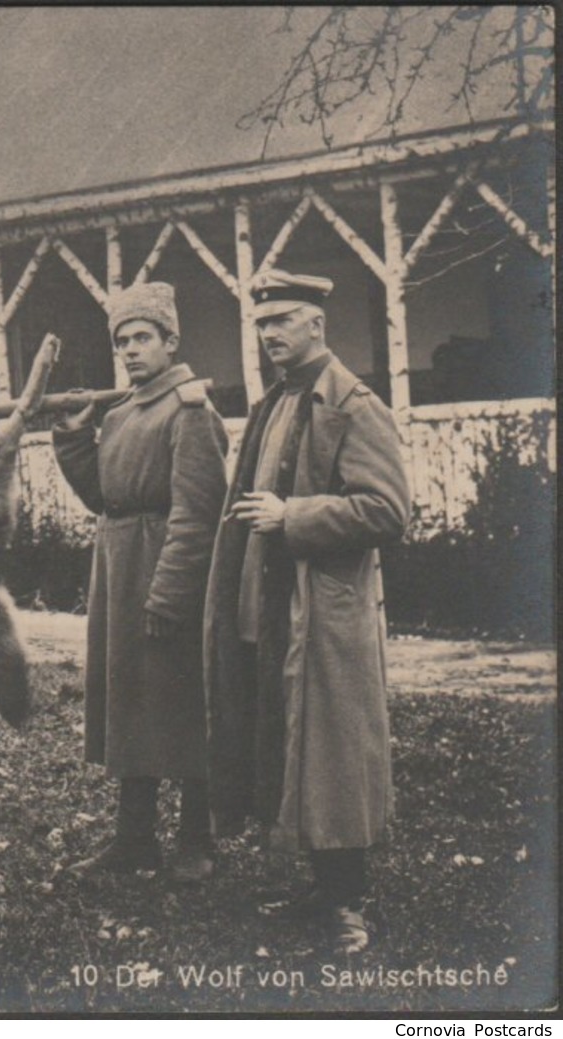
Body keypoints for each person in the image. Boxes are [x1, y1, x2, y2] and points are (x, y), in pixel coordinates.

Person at [203, 270, 410, 955]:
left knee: (333, 753)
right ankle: (319, 885)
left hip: (325, 610)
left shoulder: (352, 404)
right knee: (289, 743)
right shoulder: (272, 403)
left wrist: (292, 515)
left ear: (316, 323)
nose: (269, 334)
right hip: (272, 603)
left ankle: (348, 902)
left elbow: (386, 510)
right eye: (262, 323)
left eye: (282, 320)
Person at [52, 282, 229, 883]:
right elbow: (105, 498)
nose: (129, 351)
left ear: (171, 341)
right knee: (130, 702)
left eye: (142, 338)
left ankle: (197, 839)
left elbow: (198, 513)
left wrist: (172, 592)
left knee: (181, 702)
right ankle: (134, 840)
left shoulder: (189, 411)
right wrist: (76, 437)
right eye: (121, 341)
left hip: (165, 570)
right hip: (120, 569)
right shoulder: (124, 412)